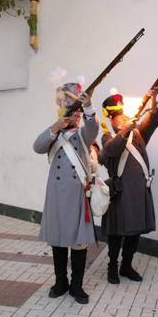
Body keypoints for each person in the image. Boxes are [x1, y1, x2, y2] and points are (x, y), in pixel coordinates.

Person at [33, 83, 99, 304]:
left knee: (79, 243)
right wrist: (54, 128)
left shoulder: (83, 135)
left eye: (80, 113)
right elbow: (37, 146)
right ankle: (60, 282)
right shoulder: (54, 133)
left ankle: (76, 286)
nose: (78, 117)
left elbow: (93, 129)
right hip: (56, 195)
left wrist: (89, 107)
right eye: (75, 113)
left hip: (77, 196)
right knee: (58, 241)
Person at [100, 89, 158, 284]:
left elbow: (151, 123)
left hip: (139, 192)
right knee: (116, 234)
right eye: (120, 118)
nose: (124, 119)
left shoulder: (138, 134)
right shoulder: (107, 137)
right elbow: (111, 149)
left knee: (134, 233)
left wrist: (152, 101)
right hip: (121, 193)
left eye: (125, 116)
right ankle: (112, 268)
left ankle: (126, 266)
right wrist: (126, 130)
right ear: (112, 122)